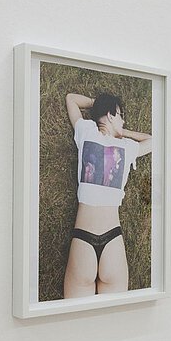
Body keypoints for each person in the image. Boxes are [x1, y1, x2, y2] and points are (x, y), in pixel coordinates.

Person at [63, 93, 152, 298]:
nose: (124, 121)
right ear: (111, 115)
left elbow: (71, 99)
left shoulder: (86, 131)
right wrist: (121, 130)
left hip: (83, 237)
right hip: (113, 239)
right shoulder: (127, 147)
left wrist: (105, 112)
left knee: (75, 315)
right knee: (114, 316)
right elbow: (152, 140)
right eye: (121, 116)